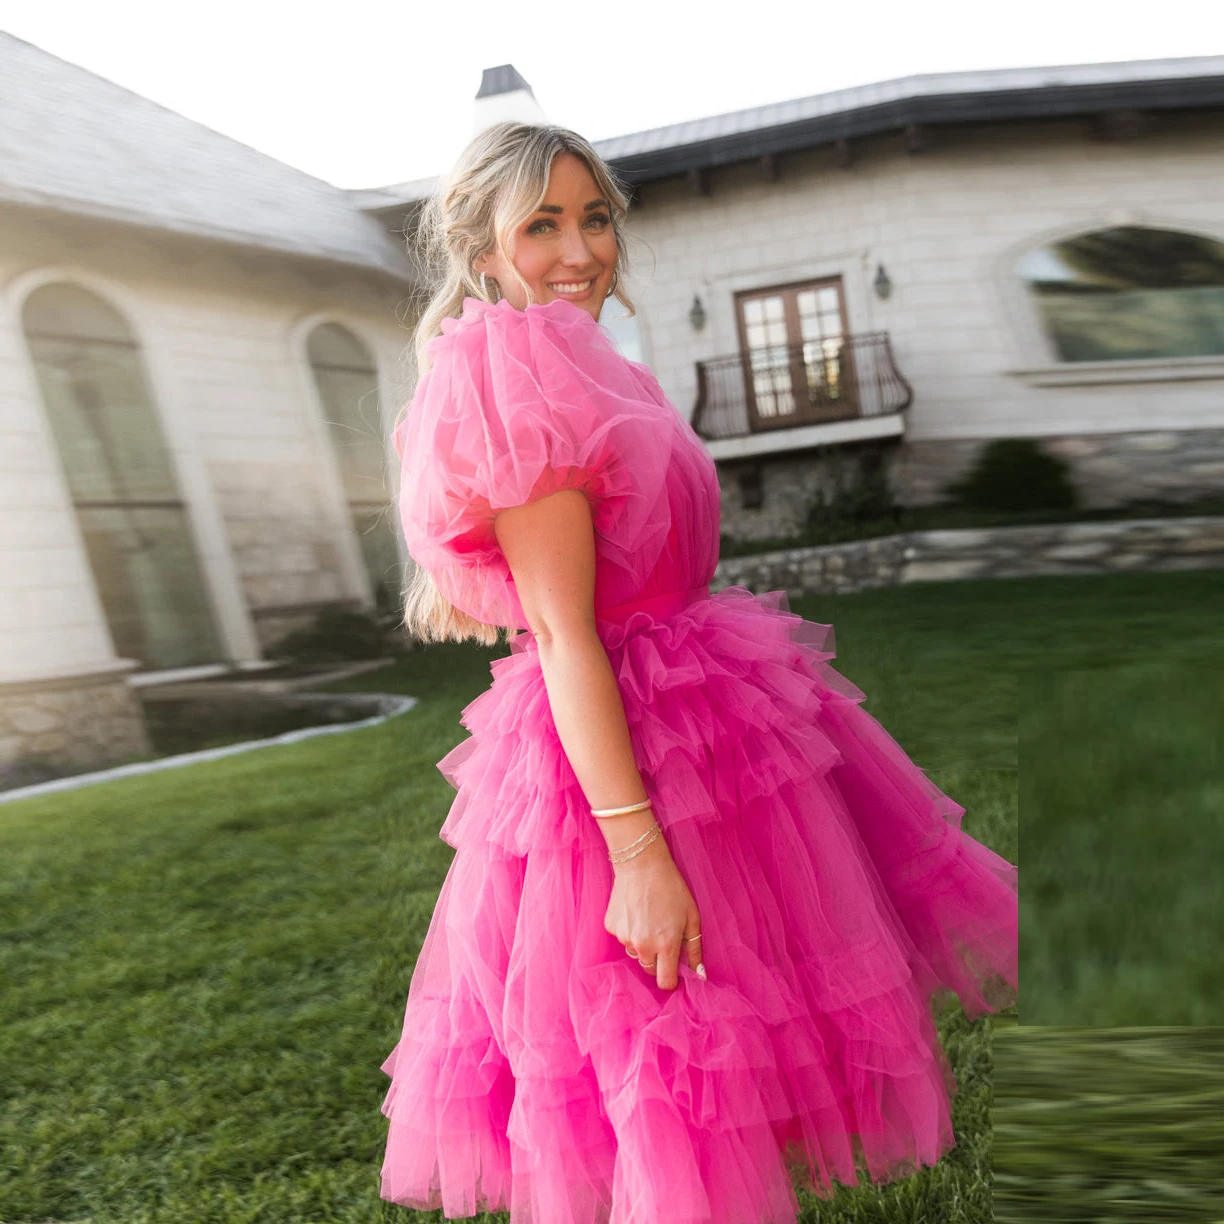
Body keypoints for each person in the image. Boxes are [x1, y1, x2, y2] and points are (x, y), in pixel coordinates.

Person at [378, 120, 1018, 1224]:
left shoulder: (590, 360)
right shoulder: (511, 378)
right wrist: (637, 854)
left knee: (736, 1051)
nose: (580, 250)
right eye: (541, 225)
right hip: (622, 758)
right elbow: (566, 636)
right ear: (483, 250)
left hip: (703, 716)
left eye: (594, 218)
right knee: (667, 1063)